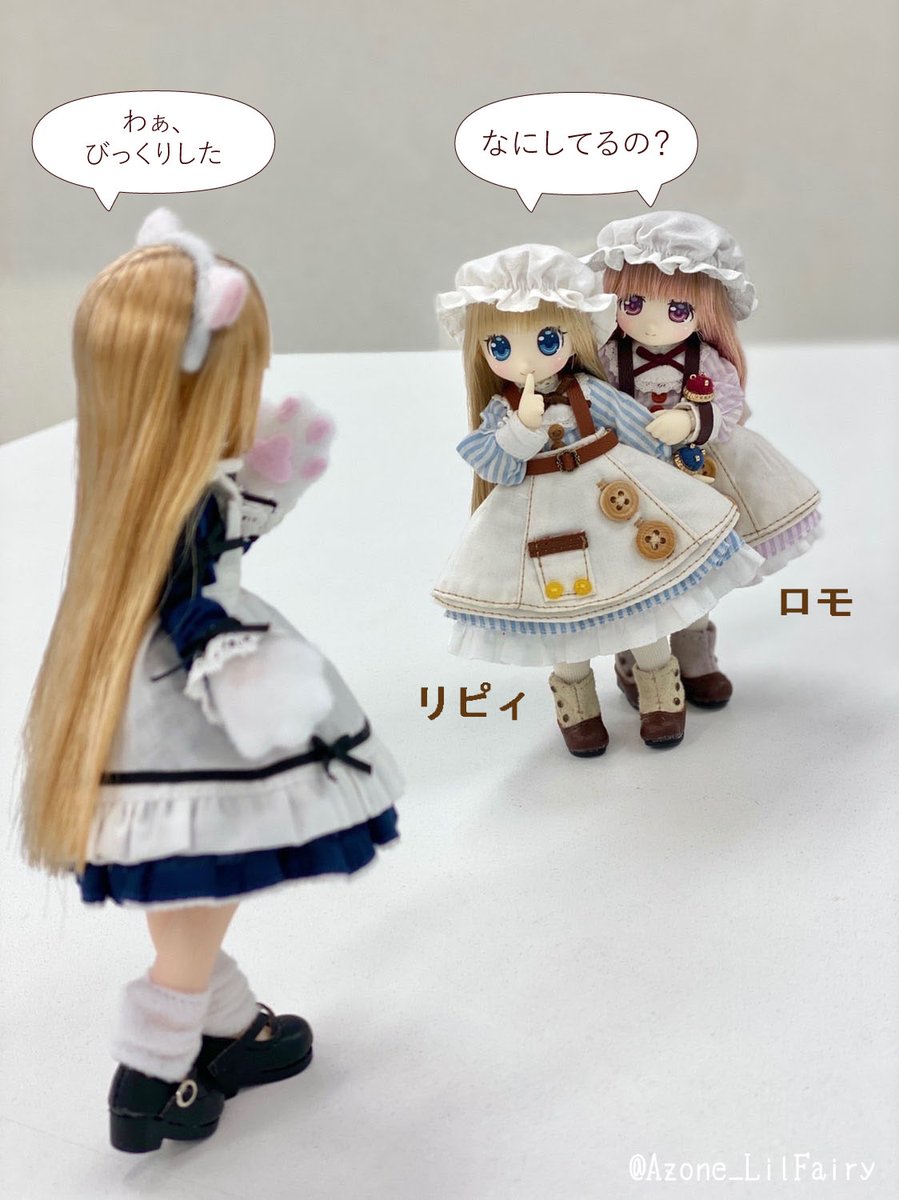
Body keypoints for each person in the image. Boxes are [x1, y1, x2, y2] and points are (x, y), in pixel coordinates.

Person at [20, 209, 402, 1152]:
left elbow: (213, 548)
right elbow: (191, 594)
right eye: (244, 370)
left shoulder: (138, 486)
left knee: (190, 879)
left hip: (145, 698)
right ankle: (153, 1075)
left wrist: (266, 486)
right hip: (190, 705)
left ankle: (222, 1026)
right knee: (203, 874)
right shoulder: (176, 504)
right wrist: (238, 665)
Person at [432, 243, 762, 755]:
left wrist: (677, 463)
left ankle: (660, 696)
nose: (525, 360)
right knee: (564, 623)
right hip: (543, 518)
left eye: (546, 339)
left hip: (616, 508)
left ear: (576, 332)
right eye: (500, 345)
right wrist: (521, 429)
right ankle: (578, 708)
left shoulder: (590, 391)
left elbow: (641, 432)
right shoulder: (502, 411)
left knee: (646, 602)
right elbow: (493, 466)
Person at [586, 211, 821, 707]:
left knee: (698, 573)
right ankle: (636, 660)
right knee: (635, 575)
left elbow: (729, 406)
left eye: (677, 309)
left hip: (696, 480)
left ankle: (694, 656)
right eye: (633, 303)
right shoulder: (609, 358)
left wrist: (691, 421)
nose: (652, 321)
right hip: (629, 482)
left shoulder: (706, 360)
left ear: (706, 312)